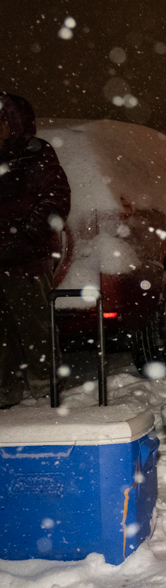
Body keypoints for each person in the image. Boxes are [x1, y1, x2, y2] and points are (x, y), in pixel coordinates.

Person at [0, 94, 71, 408]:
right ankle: (5, 391)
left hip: (26, 260)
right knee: (3, 335)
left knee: (35, 328)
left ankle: (47, 392)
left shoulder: (34, 153)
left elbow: (55, 200)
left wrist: (26, 235)